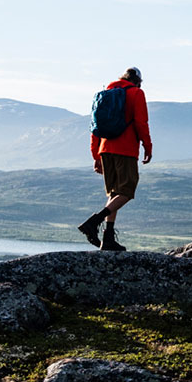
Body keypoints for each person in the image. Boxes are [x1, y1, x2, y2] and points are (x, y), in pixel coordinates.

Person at [81, 67, 151, 251]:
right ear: (138, 81)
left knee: (114, 194)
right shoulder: (136, 93)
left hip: (105, 148)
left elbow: (94, 127)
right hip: (125, 148)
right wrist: (147, 146)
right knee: (126, 191)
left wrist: (96, 155)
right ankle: (94, 222)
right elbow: (141, 122)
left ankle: (108, 238)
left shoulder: (106, 94)